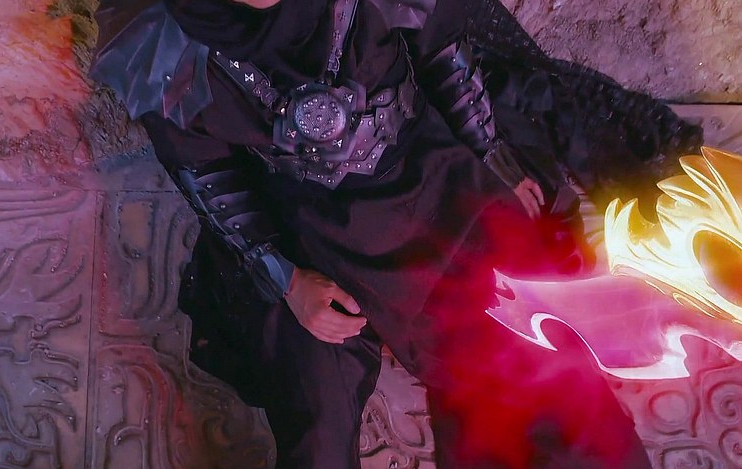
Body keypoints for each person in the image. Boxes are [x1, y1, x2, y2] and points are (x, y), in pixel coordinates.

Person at [90, 0, 702, 467]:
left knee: (541, 360)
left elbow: (444, 56)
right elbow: (208, 174)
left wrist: (492, 158)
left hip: (428, 177)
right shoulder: (160, 37)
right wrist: (286, 279)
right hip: (300, 229)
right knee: (317, 421)